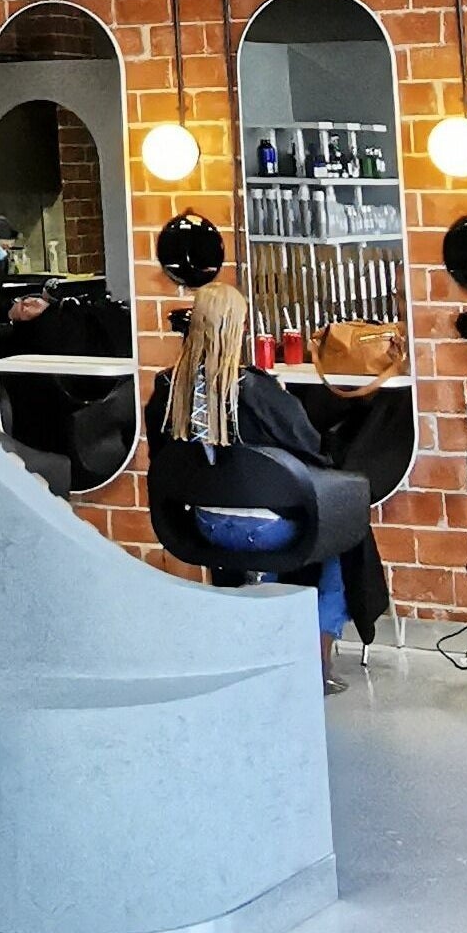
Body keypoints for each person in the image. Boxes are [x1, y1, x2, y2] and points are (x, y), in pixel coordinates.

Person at [143, 279, 388, 691]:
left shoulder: (169, 390)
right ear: (238, 328)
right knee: (348, 532)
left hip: (203, 526)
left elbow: (165, 459)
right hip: (267, 530)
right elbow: (311, 449)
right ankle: (317, 657)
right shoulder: (255, 389)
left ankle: (257, 641)